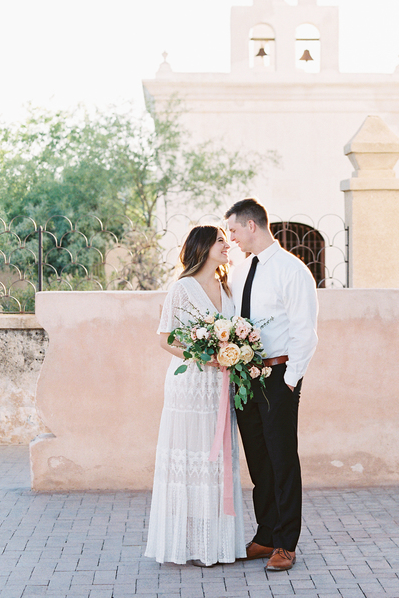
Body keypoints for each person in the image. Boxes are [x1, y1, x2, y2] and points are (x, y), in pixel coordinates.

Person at [225, 198, 318, 572]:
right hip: (245, 376)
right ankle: (265, 536)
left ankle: (285, 544)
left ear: (251, 226)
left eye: (232, 230)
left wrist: (291, 381)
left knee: (282, 459)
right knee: (259, 460)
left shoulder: (292, 271)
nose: (230, 238)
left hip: (279, 377)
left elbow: (304, 330)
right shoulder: (242, 270)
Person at [144, 225, 246, 566]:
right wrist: (203, 355)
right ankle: (187, 545)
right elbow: (166, 339)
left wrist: (233, 353)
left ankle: (215, 546)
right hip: (190, 385)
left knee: (217, 462)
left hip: (220, 385)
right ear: (203, 246)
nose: (227, 244)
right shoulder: (183, 288)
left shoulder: (227, 287)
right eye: (220, 240)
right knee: (191, 460)